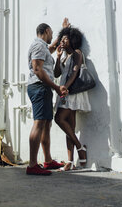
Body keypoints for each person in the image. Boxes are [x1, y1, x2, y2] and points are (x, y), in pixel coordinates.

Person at [26, 20, 69, 175]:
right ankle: (32, 165)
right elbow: (37, 69)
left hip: (43, 88)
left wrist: (63, 32)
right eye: (51, 33)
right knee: (39, 123)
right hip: (40, 87)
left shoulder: (43, 47)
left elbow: (51, 48)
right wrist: (56, 87)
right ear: (44, 32)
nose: (52, 37)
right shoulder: (38, 45)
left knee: (46, 124)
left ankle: (48, 161)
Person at [54, 27, 91, 171]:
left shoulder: (77, 53)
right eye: (61, 39)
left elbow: (75, 72)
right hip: (65, 91)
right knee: (69, 126)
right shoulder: (64, 57)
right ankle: (70, 160)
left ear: (73, 40)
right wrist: (57, 58)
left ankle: (80, 148)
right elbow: (57, 73)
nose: (62, 41)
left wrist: (65, 88)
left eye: (65, 38)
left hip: (72, 91)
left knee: (59, 119)